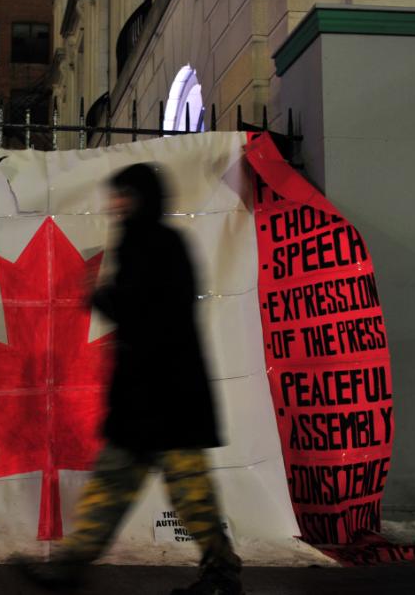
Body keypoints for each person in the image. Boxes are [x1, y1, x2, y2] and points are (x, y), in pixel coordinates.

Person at [16, 163, 244, 594]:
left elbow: (147, 313)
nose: (117, 204)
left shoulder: (158, 245)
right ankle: (71, 566)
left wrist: (102, 295)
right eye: (116, 195)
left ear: (144, 198)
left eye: (125, 195)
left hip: (168, 397)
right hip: (146, 398)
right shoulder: (142, 243)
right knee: (112, 484)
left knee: (188, 491)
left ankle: (222, 572)